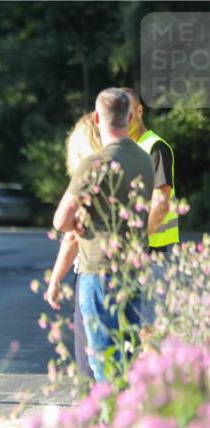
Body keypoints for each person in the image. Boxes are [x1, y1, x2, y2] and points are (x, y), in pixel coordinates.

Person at [52, 88, 153, 382]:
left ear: (97, 118)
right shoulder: (145, 160)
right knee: (129, 354)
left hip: (99, 270)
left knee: (103, 360)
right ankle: (130, 419)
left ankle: (111, 421)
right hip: (133, 268)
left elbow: (61, 221)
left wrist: (79, 220)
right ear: (131, 116)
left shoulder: (94, 164)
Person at [43, 113, 103, 380]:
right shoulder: (130, 164)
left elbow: (68, 231)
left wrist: (55, 280)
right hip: (131, 268)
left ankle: (98, 414)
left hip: (93, 269)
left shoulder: (89, 172)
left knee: (89, 352)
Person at [120, 87, 179, 250]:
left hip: (152, 248)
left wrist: (135, 242)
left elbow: (161, 204)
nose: (124, 118)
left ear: (139, 111)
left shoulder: (155, 147)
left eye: (128, 111)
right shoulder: (127, 149)